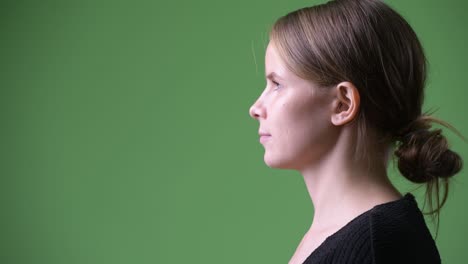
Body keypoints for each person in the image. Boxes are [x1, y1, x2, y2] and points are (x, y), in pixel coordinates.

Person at [248, 0, 463, 263]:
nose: (256, 108)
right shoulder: (353, 237)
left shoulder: (377, 246)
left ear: (343, 103)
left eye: (277, 84)